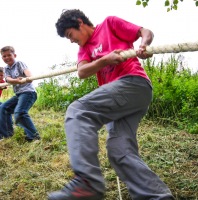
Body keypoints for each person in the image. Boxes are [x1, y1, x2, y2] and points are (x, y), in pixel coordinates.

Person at [48, 9, 175, 200]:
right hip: (121, 101)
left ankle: (87, 182)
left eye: (69, 35)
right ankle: (156, 196)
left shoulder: (109, 24)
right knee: (119, 151)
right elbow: (82, 72)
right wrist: (105, 60)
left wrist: (143, 44)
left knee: (78, 111)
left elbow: (145, 32)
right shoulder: (84, 48)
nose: (71, 40)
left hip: (133, 84)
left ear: (79, 22)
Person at [0, 46, 40, 142]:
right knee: (3, 108)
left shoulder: (19, 63)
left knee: (20, 112)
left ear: (14, 55)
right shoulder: (6, 68)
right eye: (4, 56)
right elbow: (8, 79)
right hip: (18, 94)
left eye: (9, 55)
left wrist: (29, 77)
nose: (7, 58)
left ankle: (34, 137)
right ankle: (7, 135)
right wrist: (16, 81)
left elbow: (28, 73)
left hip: (28, 92)